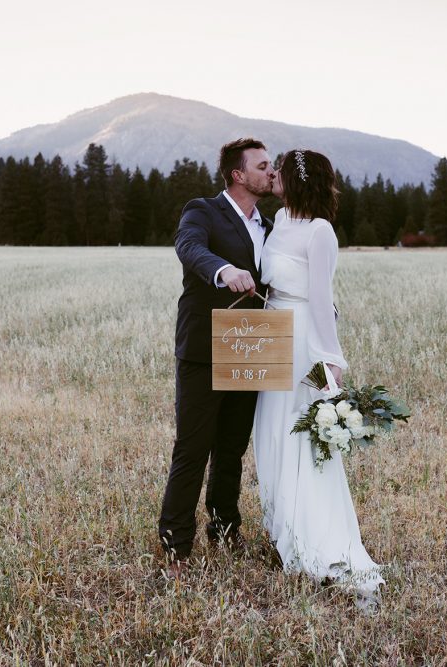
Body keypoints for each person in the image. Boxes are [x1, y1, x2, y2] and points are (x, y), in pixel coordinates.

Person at [252, 149, 383, 609]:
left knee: (302, 438)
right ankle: (284, 527)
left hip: (304, 340)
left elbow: (323, 299)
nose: (273, 175)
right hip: (273, 333)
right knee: (272, 432)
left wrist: (330, 360)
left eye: (281, 169)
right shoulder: (280, 219)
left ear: (296, 179)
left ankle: (320, 539)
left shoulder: (320, 231)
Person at [158, 138, 275, 575]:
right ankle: (175, 545)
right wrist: (223, 270)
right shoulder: (202, 210)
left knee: (231, 449)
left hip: (251, 347)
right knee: (192, 449)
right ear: (237, 175)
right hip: (204, 349)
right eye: (262, 166)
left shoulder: (270, 225)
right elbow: (189, 248)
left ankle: (225, 529)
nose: (271, 172)